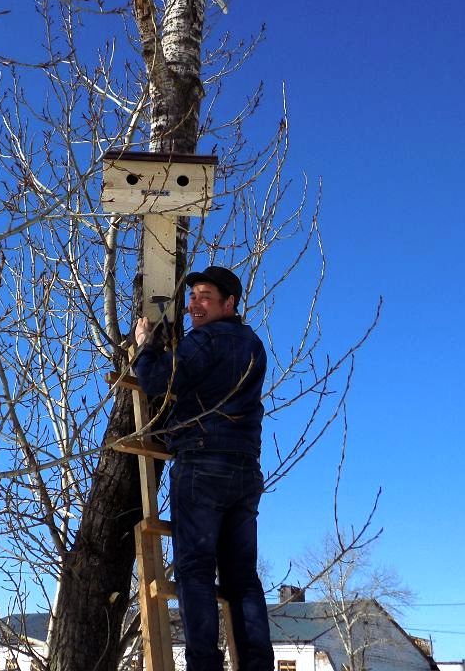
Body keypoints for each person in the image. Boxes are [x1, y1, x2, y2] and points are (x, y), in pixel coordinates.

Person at [133, 265, 273, 671]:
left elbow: (159, 380)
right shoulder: (253, 345)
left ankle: (203, 665)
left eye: (205, 296)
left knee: (195, 570)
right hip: (246, 469)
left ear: (229, 304)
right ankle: (257, 664)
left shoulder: (206, 340)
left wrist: (146, 345)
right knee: (242, 578)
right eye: (192, 296)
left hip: (202, 462)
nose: (195, 303)